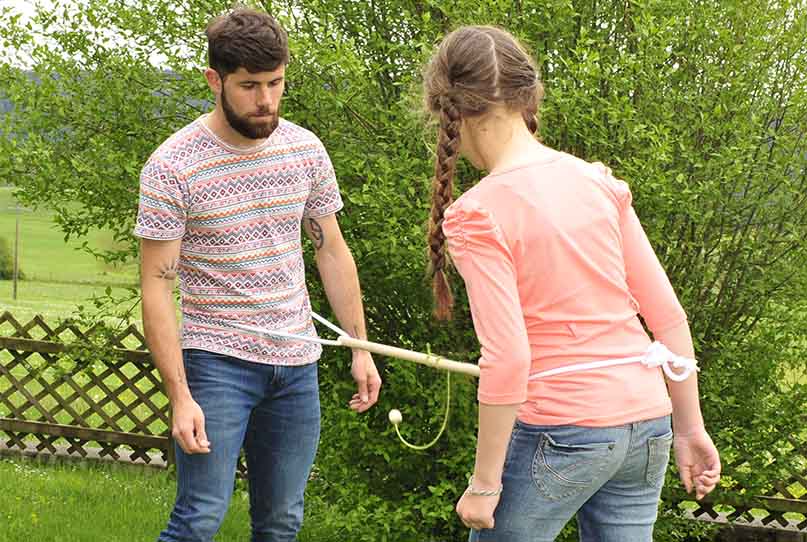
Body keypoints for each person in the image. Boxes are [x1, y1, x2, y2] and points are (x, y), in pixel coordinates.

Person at [421, 26, 721, 541]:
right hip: (648, 421)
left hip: (562, 430)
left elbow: (509, 358)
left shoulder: (476, 214)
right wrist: (690, 428)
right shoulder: (596, 182)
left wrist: (485, 483)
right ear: (526, 95)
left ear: (449, 112)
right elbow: (667, 316)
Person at [134, 8, 381, 542]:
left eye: (275, 83)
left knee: (282, 522)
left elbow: (331, 251)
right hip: (216, 363)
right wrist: (180, 394)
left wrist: (361, 347)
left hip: (297, 364)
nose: (265, 100)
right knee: (199, 518)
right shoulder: (173, 166)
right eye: (249, 86)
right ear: (214, 80)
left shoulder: (305, 149)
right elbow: (156, 286)